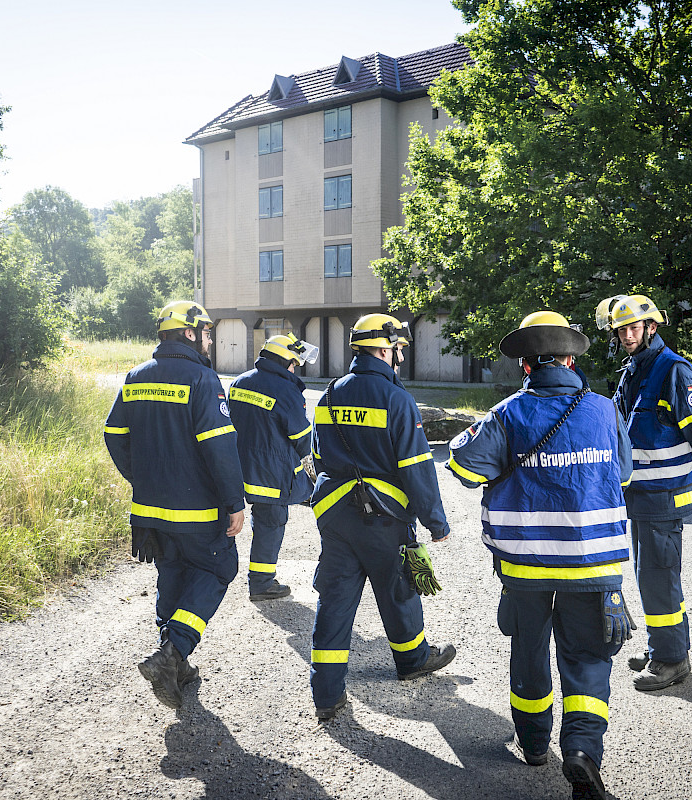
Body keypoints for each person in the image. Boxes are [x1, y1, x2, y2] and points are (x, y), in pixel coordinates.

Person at [447, 311, 633, 800]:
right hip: (594, 568)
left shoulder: (508, 413)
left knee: (529, 653)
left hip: (524, 570)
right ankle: (582, 751)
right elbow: (626, 474)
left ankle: (533, 746)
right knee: (588, 659)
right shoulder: (605, 410)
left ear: (526, 364)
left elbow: (464, 468)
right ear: (570, 360)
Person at [308, 313, 456, 722]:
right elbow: (416, 466)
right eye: (398, 349)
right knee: (400, 588)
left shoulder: (330, 393)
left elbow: (317, 458)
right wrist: (435, 521)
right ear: (384, 348)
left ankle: (326, 692)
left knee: (335, 599)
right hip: (384, 518)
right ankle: (412, 661)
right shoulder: (396, 399)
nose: (400, 356)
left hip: (335, 514)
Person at [103, 300, 245, 711]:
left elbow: (114, 435)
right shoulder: (203, 379)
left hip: (150, 511)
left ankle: (175, 662)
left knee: (173, 576)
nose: (210, 340)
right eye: (206, 332)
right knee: (219, 569)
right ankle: (173, 653)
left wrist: (141, 478)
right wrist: (234, 502)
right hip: (198, 512)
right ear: (189, 333)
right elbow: (220, 446)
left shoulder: (135, 377)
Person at [595, 294, 692, 692]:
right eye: (622, 330)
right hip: (643, 498)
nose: (628, 335)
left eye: (634, 328)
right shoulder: (634, 369)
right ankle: (661, 648)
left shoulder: (674, 371)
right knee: (649, 576)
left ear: (652, 327)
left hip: (666, 496)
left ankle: (672, 660)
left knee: (659, 578)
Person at [228, 333, 318, 601]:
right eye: (293, 363)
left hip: (235, 469)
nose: (294, 369)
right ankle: (261, 583)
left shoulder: (239, 382)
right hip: (270, 474)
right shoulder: (286, 390)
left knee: (231, 522)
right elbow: (303, 439)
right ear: (283, 361)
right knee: (270, 524)